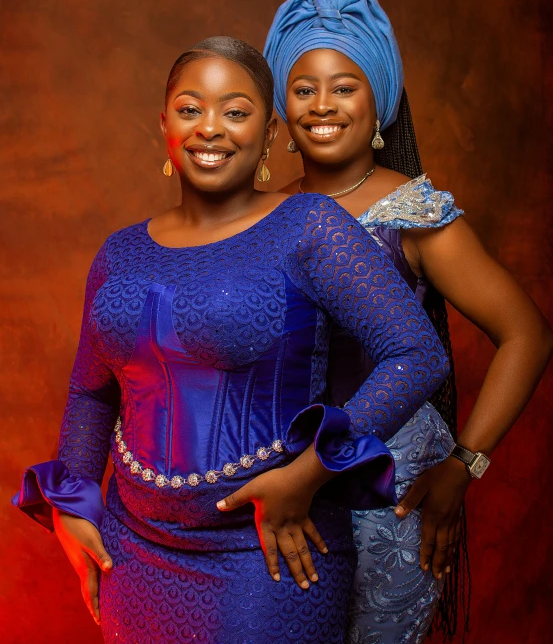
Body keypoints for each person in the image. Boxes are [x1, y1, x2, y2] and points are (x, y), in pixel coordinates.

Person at [12, 36, 450, 644]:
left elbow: (416, 353)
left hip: (267, 551)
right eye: (190, 109)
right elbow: (90, 391)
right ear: (164, 123)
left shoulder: (309, 226)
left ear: (269, 130)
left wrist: (306, 476)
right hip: (132, 552)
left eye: (235, 111)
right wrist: (72, 505)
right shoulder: (118, 253)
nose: (209, 129)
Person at [264, 0, 553, 643]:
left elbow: (527, 335)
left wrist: (465, 464)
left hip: (390, 498)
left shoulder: (411, 212)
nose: (323, 105)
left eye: (345, 85)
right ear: (282, 105)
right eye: (304, 88)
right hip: (291, 489)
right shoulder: (265, 213)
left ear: (380, 102)